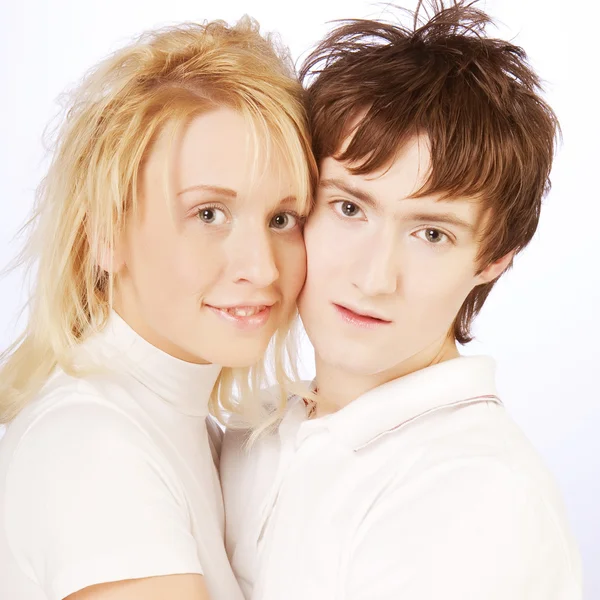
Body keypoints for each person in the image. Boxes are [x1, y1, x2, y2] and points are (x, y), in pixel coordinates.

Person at [220, 2, 582, 599]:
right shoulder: (253, 426)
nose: (374, 276)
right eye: (349, 208)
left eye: (431, 233)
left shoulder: (474, 493)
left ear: (494, 257)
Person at [0, 16, 316, 600]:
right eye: (208, 214)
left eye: (282, 219)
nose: (264, 268)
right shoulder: (92, 445)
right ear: (105, 234)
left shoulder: (182, 427)